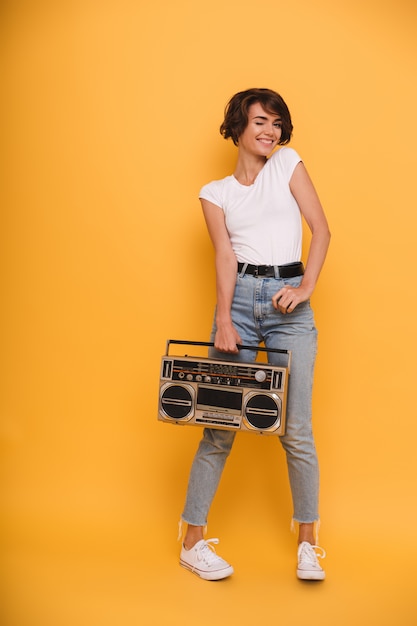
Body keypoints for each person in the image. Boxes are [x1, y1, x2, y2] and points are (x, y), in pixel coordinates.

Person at [178, 88, 331, 581]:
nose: (271, 131)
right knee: (220, 426)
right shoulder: (214, 192)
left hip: (289, 302)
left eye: (277, 123)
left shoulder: (288, 164)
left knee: (296, 431)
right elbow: (225, 255)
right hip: (239, 302)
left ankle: (308, 544)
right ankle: (191, 542)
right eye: (261, 122)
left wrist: (305, 286)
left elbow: (321, 228)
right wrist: (224, 318)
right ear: (238, 127)